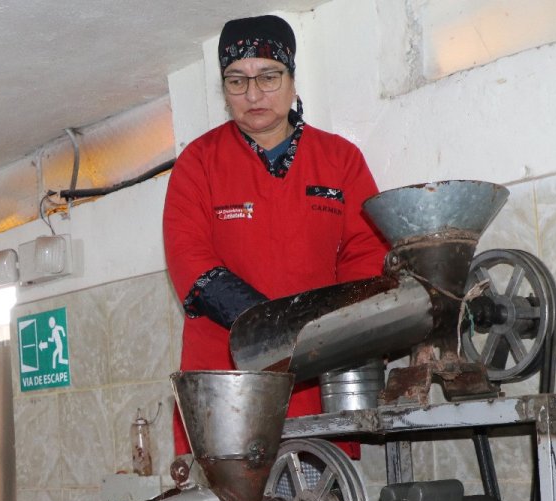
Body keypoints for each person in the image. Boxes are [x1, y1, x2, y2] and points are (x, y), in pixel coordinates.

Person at [163, 15, 389, 458]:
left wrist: (330, 333)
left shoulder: (339, 159)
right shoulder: (197, 162)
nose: (252, 95)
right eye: (236, 81)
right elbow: (190, 259)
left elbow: (367, 250)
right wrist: (272, 327)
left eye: (268, 76)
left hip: (315, 385)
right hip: (225, 389)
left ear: (291, 78)